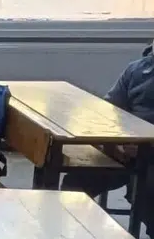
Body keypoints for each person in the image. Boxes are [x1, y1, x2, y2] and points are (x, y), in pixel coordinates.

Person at [61, 41, 154, 228]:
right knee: (76, 181)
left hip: (150, 156)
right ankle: (69, 234)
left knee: (148, 192)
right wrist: (114, 144)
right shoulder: (136, 70)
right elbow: (107, 111)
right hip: (127, 151)